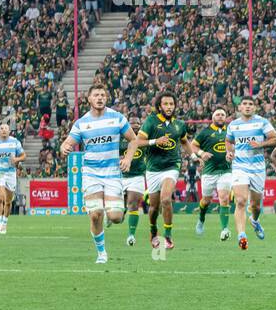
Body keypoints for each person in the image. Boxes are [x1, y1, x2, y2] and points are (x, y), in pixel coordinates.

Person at [63, 83, 138, 264]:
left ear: (106, 98)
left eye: (102, 95)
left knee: (116, 217)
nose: (99, 98)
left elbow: (134, 140)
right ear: (89, 99)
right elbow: (67, 143)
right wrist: (65, 147)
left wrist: (127, 159)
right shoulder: (81, 123)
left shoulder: (117, 118)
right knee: (95, 214)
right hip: (91, 173)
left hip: (112, 173)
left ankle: (112, 214)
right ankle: (102, 253)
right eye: (96, 95)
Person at [123, 90, 192, 251]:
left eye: (172, 104)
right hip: (153, 169)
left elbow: (185, 142)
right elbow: (137, 141)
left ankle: (167, 235)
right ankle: (153, 231)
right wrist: (156, 141)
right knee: (153, 207)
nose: (169, 107)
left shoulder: (179, 125)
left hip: (172, 166)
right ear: (160, 106)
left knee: (166, 199)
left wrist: (195, 155)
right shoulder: (151, 122)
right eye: (166, 104)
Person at [224, 96, 276, 249]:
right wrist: (229, 152)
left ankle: (254, 221)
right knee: (240, 201)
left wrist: (260, 144)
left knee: (255, 206)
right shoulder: (233, 125)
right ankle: (242, 236)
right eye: (245, 104)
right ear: (239, 108)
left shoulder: (262, 122)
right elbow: (228, 141)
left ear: (254, 108)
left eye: (251, 104)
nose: (248, 106)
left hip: (257, 168)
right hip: (239, 167)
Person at [192, 107, 232, 241]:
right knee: (206, 201)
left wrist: (233, 153)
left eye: (223, 114)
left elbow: (236, 146)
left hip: (226, 171)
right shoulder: (206, 132)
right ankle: (201, 219)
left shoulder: (230, 131)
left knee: (224, 198)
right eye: (218, 114)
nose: (220, 116)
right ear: (213, 117)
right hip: (209, 172)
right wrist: (201, 153)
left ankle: (225, 229)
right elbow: (193, 146)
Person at [0, 123, 25, 235]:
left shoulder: (15, 142)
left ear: (9, 131)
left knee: (8, 202)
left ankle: (4, 223)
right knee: (0, 197)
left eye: (6, 128)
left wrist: (17, 159)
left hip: (11, 173)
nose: (3, 130)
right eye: (1, 128)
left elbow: (24, 156)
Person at [120, 114, 148, 245]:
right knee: (118, 212)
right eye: (132, 123)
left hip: (137, 176)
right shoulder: (120, 139)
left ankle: (131, 235)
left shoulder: (145, 139)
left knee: (133, 204)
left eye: (137, 122)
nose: (135, 125)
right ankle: (116, 216)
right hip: (119, 177)